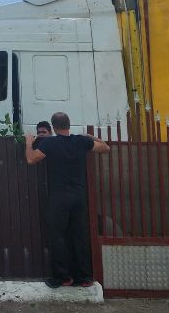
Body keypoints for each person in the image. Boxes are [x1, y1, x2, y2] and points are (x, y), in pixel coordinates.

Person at [25, 111, 110, 288]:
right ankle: (84, 277)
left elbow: (31, 159)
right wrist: (90, 136)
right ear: (69, 125)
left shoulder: (50, 143)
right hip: (78, 197)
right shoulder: (81, 141)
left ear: (54, 127)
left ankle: (63, 277)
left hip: (59, 198)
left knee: (58, 237)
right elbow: (106, 148)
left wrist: (28, 142)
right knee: (79, 236)